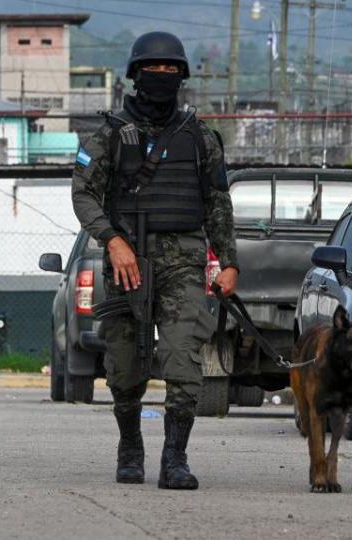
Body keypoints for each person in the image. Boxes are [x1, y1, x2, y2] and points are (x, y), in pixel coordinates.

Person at [70, 32, 239, 490]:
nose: (162, 78)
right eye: (154, 70)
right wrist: (111, 240)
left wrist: (228, 261)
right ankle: (130, 446)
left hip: (184, 259)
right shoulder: (107, 134)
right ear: (135, 76)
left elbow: (218, 202)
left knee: (184, 360)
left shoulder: (202, 138)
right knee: (124, 368)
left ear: (181, 77)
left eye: (170, 71)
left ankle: (175, 459)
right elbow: (82, 193)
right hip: (127, 262)